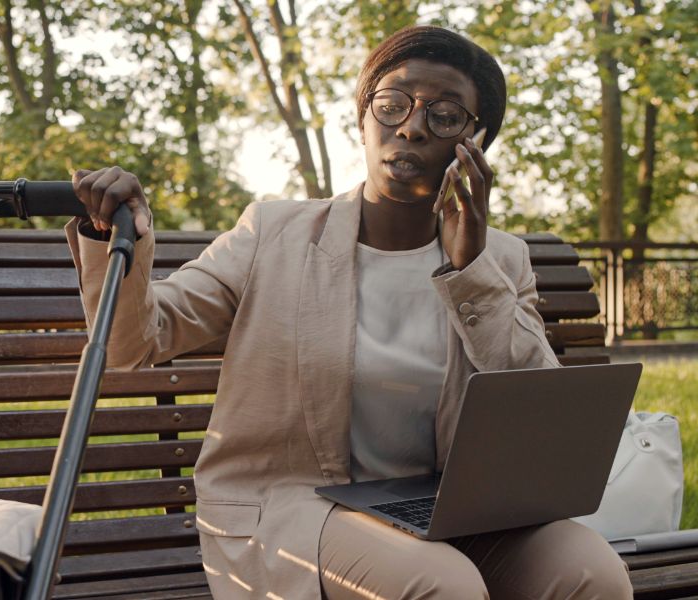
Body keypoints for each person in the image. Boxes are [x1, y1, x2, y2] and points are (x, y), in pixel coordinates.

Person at [65, 25, 631, 600]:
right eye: (392, 106)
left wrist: (472, 272)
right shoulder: (272, 233)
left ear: (476, 141)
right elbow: (134, 342)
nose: (410, 126)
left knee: (592, 572)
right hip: (293, 507)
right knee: (444, 586)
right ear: (362, 119)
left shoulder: (502, 259)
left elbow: (541, 410)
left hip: (442, 509)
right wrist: (114, 235)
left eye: (444, 115)